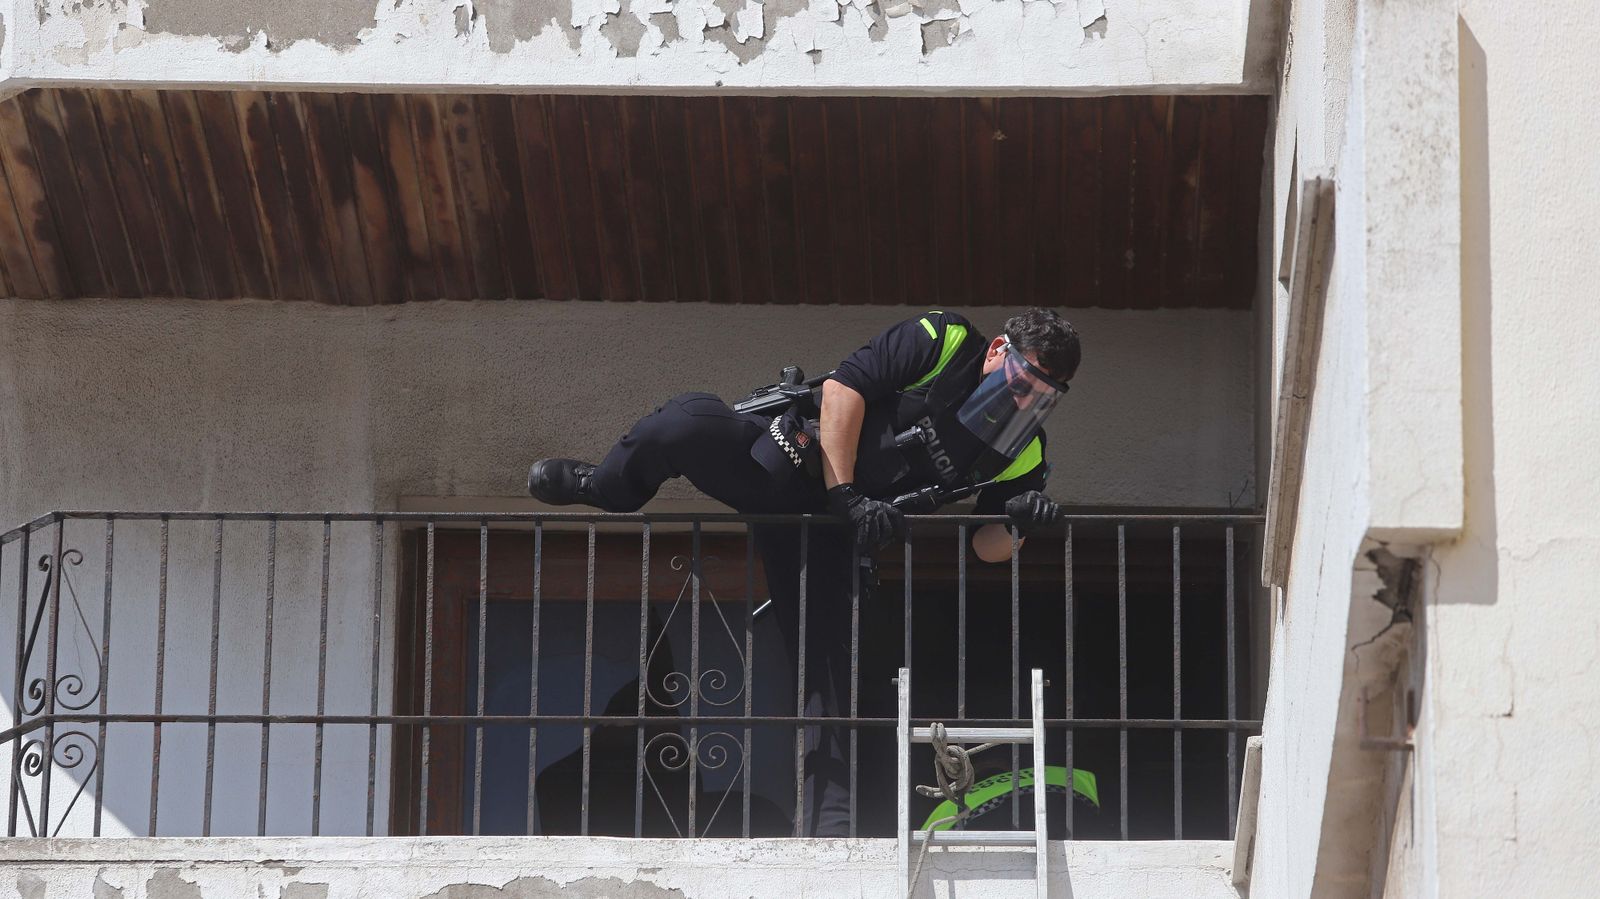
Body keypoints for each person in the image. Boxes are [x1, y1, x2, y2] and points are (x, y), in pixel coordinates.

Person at [527, 308, 1081, 836]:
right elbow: (844, 390)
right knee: (685, 422)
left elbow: (986, 549)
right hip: (795, 464)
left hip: (836, 535)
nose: (1028, 399)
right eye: (1025, 380)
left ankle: (827, 829)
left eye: (1045, 396)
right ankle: (605, 485)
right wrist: (847, 495)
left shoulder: (1024, 449)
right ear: (999, 350)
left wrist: (1019, 523)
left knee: (828, 675)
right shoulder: (944, 339)